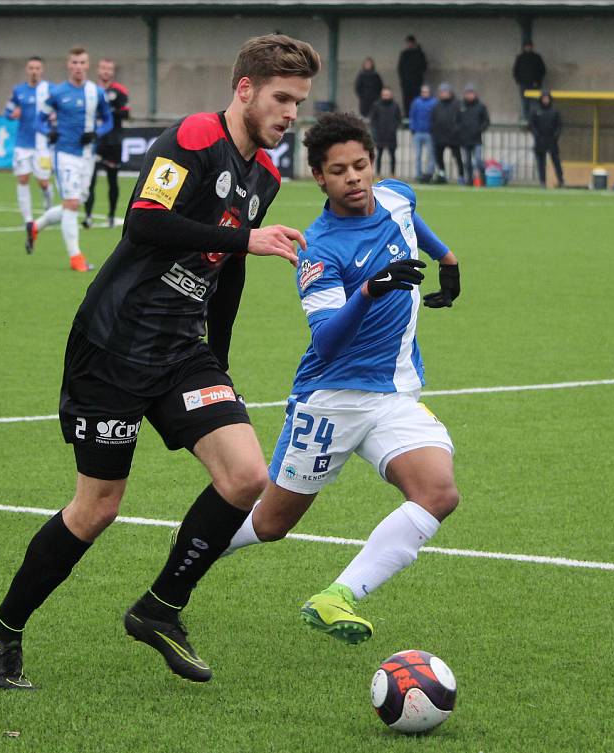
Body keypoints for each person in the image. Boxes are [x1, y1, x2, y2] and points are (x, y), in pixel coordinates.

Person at [0, 33, 320, 690]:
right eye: (281, 99)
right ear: (244, 89)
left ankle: (160, 607)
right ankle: (1, 628)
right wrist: (243, 237)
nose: (290, 114)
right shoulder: (192, 137)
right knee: (97, 507)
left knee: (247, 475)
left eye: (299, 103)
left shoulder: (265, 177)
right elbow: (145, 223)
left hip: (182, 351)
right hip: (113, 343)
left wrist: (218, 361)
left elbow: (228, 270)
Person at [222, 111, 461, 644]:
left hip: (393, 395)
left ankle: (338, 596)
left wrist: (446, 257)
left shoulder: (395, 195)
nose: (354, 178)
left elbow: (409, 220)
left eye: (361, 165)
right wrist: (370, 290)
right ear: (319, 177)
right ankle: (193, 548)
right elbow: (327, 338)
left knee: (438, 492)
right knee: (271, 525)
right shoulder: (319, 249)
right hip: (331, 400)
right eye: (339, 170)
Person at [28, 47, 113, 272]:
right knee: (73, 203)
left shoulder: (96, 92)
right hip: (65, 154)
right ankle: (76, 258)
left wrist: (96, 133)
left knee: (76, 201)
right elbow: (39, 120)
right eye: (74, 62)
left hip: (87, 155)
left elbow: (108, 121)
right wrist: (49, 132)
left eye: (82, 63)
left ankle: (36, 226)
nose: (78, 67)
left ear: (88, 66)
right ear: (68, 65)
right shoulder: (57, 93)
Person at [3, 56, 54, 251]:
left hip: (42, 145)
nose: (34, 71)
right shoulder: (19, 91)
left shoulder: (49, 90)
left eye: (37, 68)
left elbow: (56, 109)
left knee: (43, 182)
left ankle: (48, 208)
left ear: (42, 70)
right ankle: (27, 220)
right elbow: (7, 111)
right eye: (31, 68)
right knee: (23, 179)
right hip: (22, 144)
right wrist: (11, 114)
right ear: (27, 70)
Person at [83, 58, 130, 230]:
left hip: (113, 142)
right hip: (95, 141)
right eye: (103, 68)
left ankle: (111, 215)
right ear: (98, 70)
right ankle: (88, 216)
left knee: (112, 179)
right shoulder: (90, 90)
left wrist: (108, 110)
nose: (106, 72)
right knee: (90, 179)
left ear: (113, 72)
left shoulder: (119, 91)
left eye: (109, 69)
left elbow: (126, 115)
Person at [529, 90, 563, 188]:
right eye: (544, 98)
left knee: (556, 161)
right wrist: (536, 135)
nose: (545, 100)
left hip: (552, 140)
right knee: (541, 163)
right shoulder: (535, 111)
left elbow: (559, 125)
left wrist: (556, 136)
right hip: (540, 140)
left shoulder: (554, 111)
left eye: (547, 98)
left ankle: (561, 180)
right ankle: (542, 181)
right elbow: (532, 125)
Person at [430, 83, 463, 184]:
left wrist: (456, 130)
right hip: (440, 136)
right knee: (439, 158)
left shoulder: (457, 104)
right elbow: (433, 120)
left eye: (446, 91)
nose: (444, 94)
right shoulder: (436, 105)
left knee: (458, 157)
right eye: (442, 92)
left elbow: (461, 120)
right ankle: (442, 176)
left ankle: (461, 176)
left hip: (454, 137)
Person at [458, 83, 490, 186]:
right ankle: (469, 181)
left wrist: (479, 129)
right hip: (465, 139)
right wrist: (460, 131)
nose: (469, 95)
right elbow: (456, 120)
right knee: (467, 162)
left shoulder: (481, 106)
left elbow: (486, 121)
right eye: (467, 93)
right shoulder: (461, 106)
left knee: (478, 161)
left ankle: (483, 180)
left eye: (471, 93)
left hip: (476, 139)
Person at [369, 87, 402, 176]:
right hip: (380, 135)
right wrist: (376, 131)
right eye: (384, 94)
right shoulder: (376, 105)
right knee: (379, 155)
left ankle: (392, 174)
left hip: (391, 135)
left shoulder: (395, 105)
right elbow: (373, 119)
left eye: (387, 94)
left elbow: (399, 118)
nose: (386, 96)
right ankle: (378, 173)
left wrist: (394, 127)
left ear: (391, 95)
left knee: (392, 155)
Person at [512, 41, 546, 122]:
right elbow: (515, 71)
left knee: (535, 103)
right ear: (524, 47)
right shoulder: (520, 57)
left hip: (535, 85)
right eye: (526, 46)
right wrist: (519, 81)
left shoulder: (537, 57)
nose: (528, 47)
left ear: (532, 47)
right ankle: (525, 120)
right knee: (525, 103)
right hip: (523, 85)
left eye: (529, 46)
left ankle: (535, 120)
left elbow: (543, 70)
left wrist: (538, 81)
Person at [408, 84, 436, 182]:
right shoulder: (416, 102)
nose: (425, 94)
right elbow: (412, 115)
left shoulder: (434, 102)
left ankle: (429, 174)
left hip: (429, 132)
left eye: (426, 92)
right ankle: (418, 174)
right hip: (418, 132)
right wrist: (412, 128)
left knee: (431, 155)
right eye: (423, 92)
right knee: (418, 155)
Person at [397, 35, 427, 118]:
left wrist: (417, 76)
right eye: (407, 43)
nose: (409, 44)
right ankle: (407, 117)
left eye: (410, 43)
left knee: (417, 101)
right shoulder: (404, 54)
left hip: (416, 83)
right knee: (406, 101)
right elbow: (400, 68)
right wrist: (403, 79)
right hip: (406, 83)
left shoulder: (420, 54)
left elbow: (424, 67)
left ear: (414, 43)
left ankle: (416, 116)